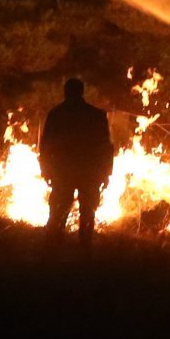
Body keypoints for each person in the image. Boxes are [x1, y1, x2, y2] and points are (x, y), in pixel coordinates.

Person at [39, 77, 115, 248]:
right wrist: (106, 172)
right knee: (88, 211)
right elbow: (106, 148)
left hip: (63, 171)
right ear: (82, 92)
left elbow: (45, 147)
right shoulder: (96, 116)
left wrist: (46, 169)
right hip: (89, 171)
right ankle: (84, 249)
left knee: (59, 210)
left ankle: (53, 249)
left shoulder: (56, 114)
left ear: (66, 92)